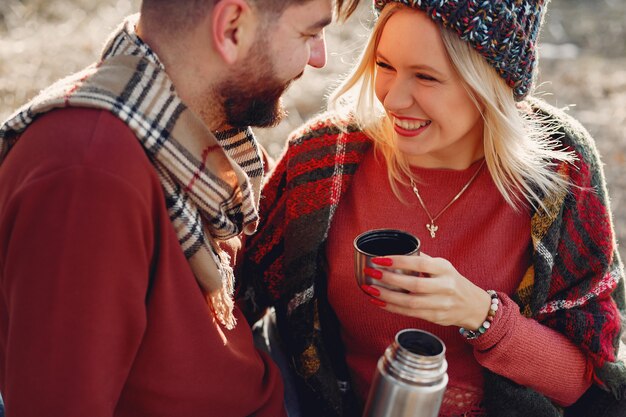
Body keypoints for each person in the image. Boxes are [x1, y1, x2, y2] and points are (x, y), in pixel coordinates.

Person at [241, 0, 626, 416]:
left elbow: (582, 384)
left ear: (489, 82)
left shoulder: (560, 171)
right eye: (384, 65)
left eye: (425, 77)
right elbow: (234, 306)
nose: (393, 98)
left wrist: (482, 314)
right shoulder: (322, 158)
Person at [0, 0, 361, 416]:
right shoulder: (89, 179)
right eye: (309, 34)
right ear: (231, 27)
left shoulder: (186, 131)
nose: (320, 58)